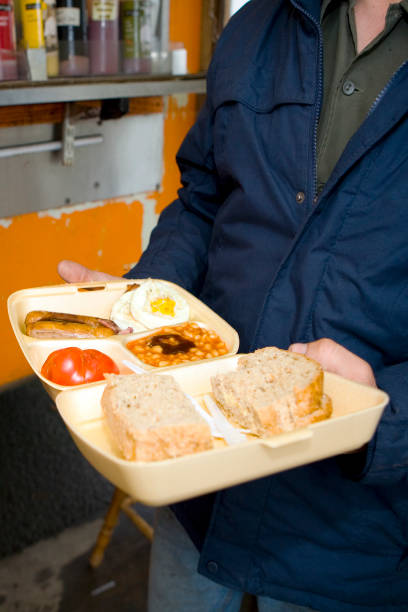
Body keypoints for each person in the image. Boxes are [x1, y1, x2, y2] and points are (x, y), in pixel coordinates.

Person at [58, 0, 408, 609]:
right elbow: (203, 198)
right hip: (201, 488)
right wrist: (145, 299)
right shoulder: (256, 26)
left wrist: (384, 413)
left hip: (354, 539)